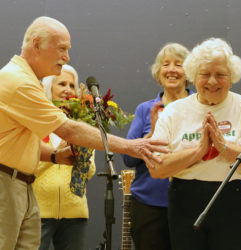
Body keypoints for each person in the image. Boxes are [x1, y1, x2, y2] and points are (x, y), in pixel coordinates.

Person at [0, 16, 167, 250]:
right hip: (7, 186)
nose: (67, 57)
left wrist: (55, 157)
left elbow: (16, 141)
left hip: (22, 186)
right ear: (36, 45)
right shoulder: (18, 81)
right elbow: (68, 129)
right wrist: (132, 146)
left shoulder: (28, 81)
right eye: (62, 49)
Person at [148, 38, 241, 250]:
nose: (212, 81)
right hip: (186, 200)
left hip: (237, 199)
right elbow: (156, 168)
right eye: (205, 74)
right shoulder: (173, 112)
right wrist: (198, 151)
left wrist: (226, 149)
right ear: (194, 75)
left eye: (220, 75)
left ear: (232, 77)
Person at [123, 43, 193, 250]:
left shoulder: (201, 106)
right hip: (148, 205)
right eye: (165, 64)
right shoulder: (145, 109)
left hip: (191, 203)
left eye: (178, 64)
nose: (171, 69)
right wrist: (152, 135)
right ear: (158, 71)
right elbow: (128, 160)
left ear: (188, 71)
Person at [32, 64, 96, 250]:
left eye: (71, 85)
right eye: (62, 84)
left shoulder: (83, 123)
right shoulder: (36, 120)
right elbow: (25, 164)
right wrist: (57, 155)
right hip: (37, 214)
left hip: (75, 215)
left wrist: (80, 155)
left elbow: (89, 172)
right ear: (49, 88)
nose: (67, 89)